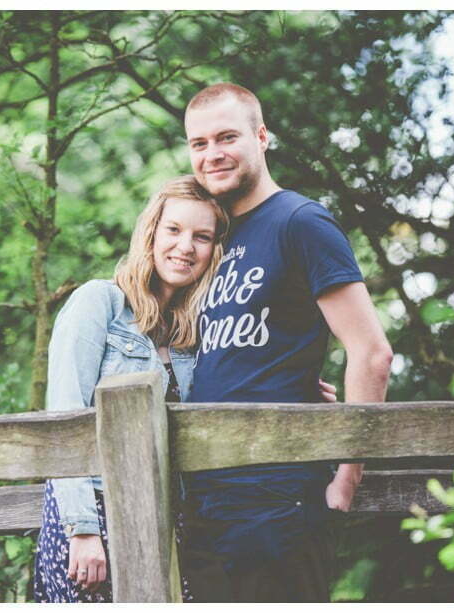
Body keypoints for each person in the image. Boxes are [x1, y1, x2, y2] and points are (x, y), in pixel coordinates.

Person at [32, 175, 337, 602]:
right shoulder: (99, 303)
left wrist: (296, 391)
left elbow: (232, 391)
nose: (185, 246)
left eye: (202, 236)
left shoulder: (198, 332)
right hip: (94, 512)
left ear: (215, 250)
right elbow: (62, 421)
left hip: (167, 516)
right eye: (174, 230)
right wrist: (81, 530)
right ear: (151, 233)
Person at [177, 82, 394, 602]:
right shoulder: (213, 235)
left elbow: (371, 352)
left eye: (227, 137)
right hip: (206, 499)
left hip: (278, 498)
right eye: (199, 143)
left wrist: (346, 479)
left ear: (262, 136)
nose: (213, 155)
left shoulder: (301, 222)